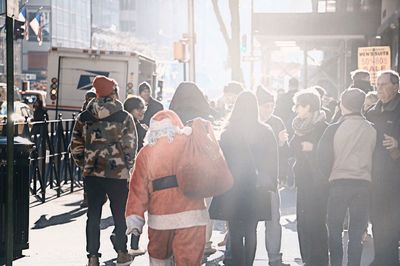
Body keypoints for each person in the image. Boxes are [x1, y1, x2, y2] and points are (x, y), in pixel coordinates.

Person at [125, 110, 209, 265]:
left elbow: (137, 189)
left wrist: (135, 218)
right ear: (177, 125)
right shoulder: (188, 143)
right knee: (189, 259)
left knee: (159, 257)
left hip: (160, 217)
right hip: (192, 213)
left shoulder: (146, 153)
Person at [70, 76, 137, 266]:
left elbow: (75, 146)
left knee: (93, 215)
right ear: (114, 92)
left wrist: (85, 164)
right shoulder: (124, 117)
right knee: (119, 213)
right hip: (117, 174)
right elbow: (130, 147)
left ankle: (92, 257)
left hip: (92, 174)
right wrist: (127, 167)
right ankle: (122, 253)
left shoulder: (84, 117)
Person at [209, 92, 278, 266]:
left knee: (235, 232)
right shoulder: (265, 131)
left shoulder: (228, 132)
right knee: (251, 230)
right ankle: (249, 263)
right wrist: (272, 183)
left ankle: (239, 263)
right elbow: (272, 161)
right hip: (257, 188)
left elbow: (220, 162)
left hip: (233, 189)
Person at [318, 88, 376, 266]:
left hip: (338, 183)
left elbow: (322, 157)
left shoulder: (334, 128)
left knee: (334, 229)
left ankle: (335, 263)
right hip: (363, 184)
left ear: (342, 105)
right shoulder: (372, 129)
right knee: (357, 231)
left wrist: (326, 177)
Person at [169, 81, 217, 256]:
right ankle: (205, 243)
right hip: (203, 170)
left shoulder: (171, 117)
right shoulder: (205, 119)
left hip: (177, 170)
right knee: (204, 207)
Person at [289, 88, 328, 266]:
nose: (296, 109)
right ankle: (307, 259)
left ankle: (318, 260)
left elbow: (329, 153)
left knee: (316, 222)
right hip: (303, 180)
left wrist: (312, 150)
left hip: (318, 182)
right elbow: (293, 149)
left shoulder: (323, 127)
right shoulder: (298, 126)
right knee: (303, 222)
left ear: (309, 107)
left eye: (299, 105)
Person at [366, 70, 400, 266]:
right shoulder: (371, 112)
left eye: (384, 85)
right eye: (377, 85)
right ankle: (380, 258)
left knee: (394, 222)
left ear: (396, 87)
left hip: (396, 178)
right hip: (375, 177)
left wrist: (398, 145)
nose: (379, 89)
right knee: (377, 221)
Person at [256, 86, 290, 266]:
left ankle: (275, 258)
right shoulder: (249, 122)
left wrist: (283, 144)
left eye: (271, 106)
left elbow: (285, 153)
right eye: (265, 106)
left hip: (271, 179)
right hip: (252, 180)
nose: (268, 110)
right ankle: (237, 254)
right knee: (248, 220)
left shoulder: (277, 122)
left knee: (273, 220)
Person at [122, 96, 147, 256]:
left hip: (123, 172)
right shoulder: (140, 128)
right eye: (139, 109)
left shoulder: (120, 124)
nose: (141, 112)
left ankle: (119, 235)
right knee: (138, 207)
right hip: (138, 172)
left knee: (125, 207)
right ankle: (134, 244)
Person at [79, 90, 98, 208]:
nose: (89, 100)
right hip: (86, 147)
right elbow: (78, 131)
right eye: (88, 98)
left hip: (96, 147)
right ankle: (86, 197)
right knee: (86, 174)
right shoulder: (83, 114)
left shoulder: (99, 112)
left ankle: (94, 196)